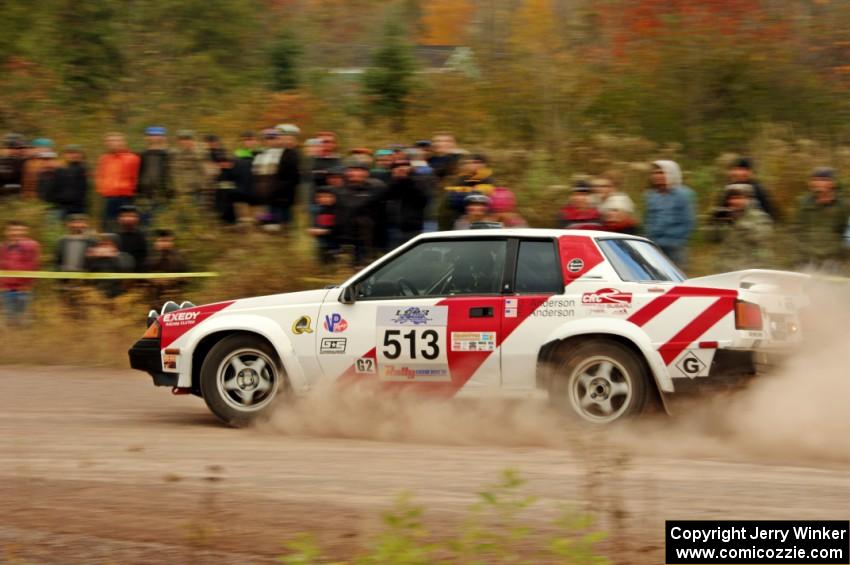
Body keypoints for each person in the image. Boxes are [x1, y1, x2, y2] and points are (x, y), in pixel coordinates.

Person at [791, 167, 850, 273]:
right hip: (808, 259)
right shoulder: (804, 203)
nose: (818, 183)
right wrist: (799, 253)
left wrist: (842, 254)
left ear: (832, 183)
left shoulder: (843, 206)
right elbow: (796, 229)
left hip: (833, 260)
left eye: (823, 180)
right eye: (815, 180)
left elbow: (846, 231)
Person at [709, 184, 774, 272]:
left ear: (748, 199)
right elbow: (718, 242)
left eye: (738, 198)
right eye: (730, 198)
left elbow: (762, 237)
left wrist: (740, 224)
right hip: (727, 270)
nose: (733, 201)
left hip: (749, 271)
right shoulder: (730, 216)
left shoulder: (759, 217)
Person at [644, 160, 695, 267]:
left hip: (674, 247)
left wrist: (676, 241)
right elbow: (649, 219)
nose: (657, 176)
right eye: (654, 173)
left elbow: (688, 221)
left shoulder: (683, 194)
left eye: (661, 173)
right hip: (654, 245)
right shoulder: (651, 195)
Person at [337, 162, 386, 266]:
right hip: (346, 236)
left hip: (368, 237)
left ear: (366, 174)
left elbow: (381, 213)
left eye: (359, 170)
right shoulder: (340, 190)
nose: (355, 173)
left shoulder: (376, 189)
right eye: (352, 170)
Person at [96, 133, 140, 231]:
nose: (112, 143)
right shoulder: (104, 159)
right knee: (108, 224)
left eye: (115, 140)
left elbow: (136, 176)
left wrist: (131, 189)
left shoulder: (132, 158)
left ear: (123, 142)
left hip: (125, 196)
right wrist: (101, 189)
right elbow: (100, 175)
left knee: (126, 223)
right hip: (108, 197)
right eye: (109, 141)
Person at [0, 221, 40, 325]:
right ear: (6, 232)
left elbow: (34, 266)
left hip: (24, 290)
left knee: (23, 321)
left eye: (20, 230)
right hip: (5, 290)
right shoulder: (2, 247)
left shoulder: (31, 245)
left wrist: (28, 285)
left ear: (26, 231)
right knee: (8, 320)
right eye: (13, 230)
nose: (16, 233)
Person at [442, 153, 495, 230]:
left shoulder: (489, 180)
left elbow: (489, 198)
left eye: (476, 162)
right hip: (459, 223)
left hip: (483, 224)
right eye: (469, 162)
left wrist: (463, 193)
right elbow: (450, 199)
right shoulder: (459, 179)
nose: (472, 165)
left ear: (484, 165)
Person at [384, 159, 429, 245]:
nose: (400, 170)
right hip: (390, 227)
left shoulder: (418, 182)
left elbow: (422, 201)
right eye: (397, 167)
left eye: (404, 167)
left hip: (411, 228)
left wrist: (406, 179)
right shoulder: (388, 182)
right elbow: (385, 197)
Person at [145, 229, 188, 308]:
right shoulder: (151, 257)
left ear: (172, 242)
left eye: (167, 241)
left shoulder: (178, 259)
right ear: (156, 242)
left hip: (174, 299)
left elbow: (185, 280)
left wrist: (170, 281)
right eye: (161, 241)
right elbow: (146, 278)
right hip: (155, 301)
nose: (164, 243)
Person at [136, 126, 172, 223]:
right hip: (144, 197)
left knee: (163, 225)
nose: (155, 137)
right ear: (146, 138)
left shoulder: (169, 155)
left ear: (164, 138)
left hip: (163, 197)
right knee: (144, 224)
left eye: (158, 135)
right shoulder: (141, 155)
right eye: (152, 135)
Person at [84, 233, 133, 298]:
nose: (103, 247)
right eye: (101, 244)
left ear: (115, 245)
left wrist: (113, 255)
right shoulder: (97, 259)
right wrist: (90, 257)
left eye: (106, 244)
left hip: (117, 295)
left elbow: (127, 273)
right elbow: (89, 271)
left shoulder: (124, 257)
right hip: (98, 294)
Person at [47, 145, 89, 219]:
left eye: (76, 153)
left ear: (80, 155)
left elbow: (83, 191)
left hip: (77, 207)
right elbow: (53, 188)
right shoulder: (59, 170)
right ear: (65, 155)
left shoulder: (83, 169)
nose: (73, 155)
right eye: (70, 153)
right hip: (59, 207)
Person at [171, 130, 206, 212]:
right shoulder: (174, 154)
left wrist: (200, 186)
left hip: (196, 191)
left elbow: (204, 172)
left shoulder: (200, 153)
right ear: (178, 142)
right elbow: (173, 173)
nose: (185, 142)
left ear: (192, 141)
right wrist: (178, 189)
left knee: (197, 215)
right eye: (182, 140)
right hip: (180, 193)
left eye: (188, 139)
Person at [307, 186, 341, 263]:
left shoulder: (337, 210)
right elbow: (316, 224)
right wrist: (312, 229)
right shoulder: (319, 210)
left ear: (335, 198)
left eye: (328, 196)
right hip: (321, 243)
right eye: (320, 197)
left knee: (332, 261)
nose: (324, 199)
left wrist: (326, 231)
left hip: (334, 243)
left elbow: (339, 227)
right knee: (322, 260)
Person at [116, 205, 147, 272]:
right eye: (125, 216)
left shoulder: (141, 237)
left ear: (137, 219)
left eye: (131, 216)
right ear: (119, 219)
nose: (128, 219)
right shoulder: (116, 237)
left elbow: (143, 260)